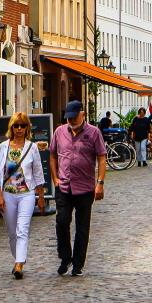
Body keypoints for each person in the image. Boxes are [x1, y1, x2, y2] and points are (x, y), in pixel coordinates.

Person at [50, 100, 106, 276]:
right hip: (64, 186)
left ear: (83, 114)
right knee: (62, 222)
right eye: (69, 118)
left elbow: (102, 157)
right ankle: (65, 257)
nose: (71, 121)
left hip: (85, 187)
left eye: (74, 117)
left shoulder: (94, 133)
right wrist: (55, 178)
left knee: (82, 228)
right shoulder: (59, 132)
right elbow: (52, 155)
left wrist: (100, 183)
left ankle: (78, 264)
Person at [0, 112, 44, 279]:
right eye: (16, 125)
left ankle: (19, 264)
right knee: (12, 231)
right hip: (8, 193)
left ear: (27, 128)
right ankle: (18, 258)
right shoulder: (3, 147)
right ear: (11, 128)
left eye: (23, 125)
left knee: (22, 229)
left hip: (26, 194)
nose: (20, 129)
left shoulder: (32, 147)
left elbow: (38, 172)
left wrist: (41, 196)